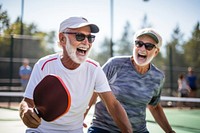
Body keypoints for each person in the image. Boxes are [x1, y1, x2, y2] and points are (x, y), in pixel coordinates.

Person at [19, 16, 132, 133]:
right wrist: (25, 111)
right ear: (62, 39)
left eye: (90, 37)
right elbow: (27, 101)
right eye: (80, 36)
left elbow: (113, 105)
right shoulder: (43, 65)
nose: (86, 42)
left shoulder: (94, 69)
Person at [87, 28, 175, 133]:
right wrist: (79, 120)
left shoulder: (158, 77)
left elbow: (154, 106)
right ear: (134, 46)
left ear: (156, 52)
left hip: (138, 130)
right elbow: (93, 93)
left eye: (149, 46)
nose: (142, 48)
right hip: (103, 129)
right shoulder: (114, 64)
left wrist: (170, 131)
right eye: (139, 44)